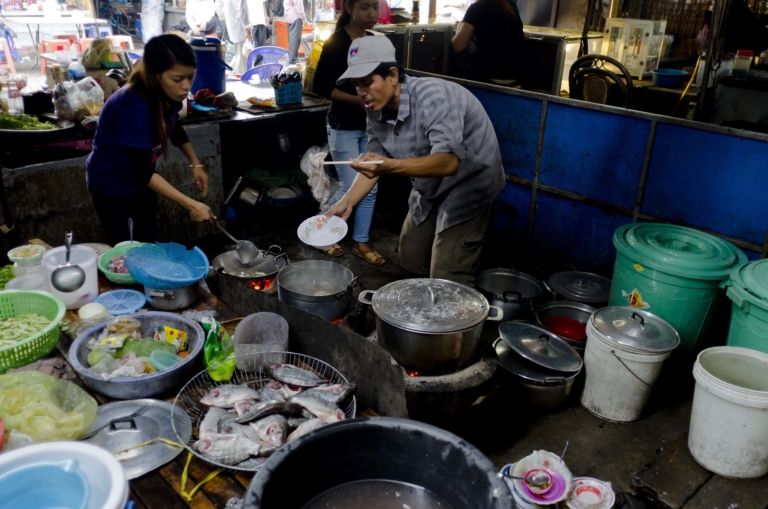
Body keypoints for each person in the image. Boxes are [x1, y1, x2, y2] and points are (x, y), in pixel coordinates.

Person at [326, 37, 505, 285]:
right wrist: (346, 203)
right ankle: (427, 297)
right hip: (428, 181)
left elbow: (448, 163)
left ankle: (448, 298)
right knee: (411, 255)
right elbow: (373, 166)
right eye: (357, 86)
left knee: (448, 271)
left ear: (392, 75)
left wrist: (389, 166)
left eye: (367, 83)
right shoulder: (374, 108)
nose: (361, 93)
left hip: (469, 180)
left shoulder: (432, 98)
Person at [86, 35, 215, 246]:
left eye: (190, 77)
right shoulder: (134, 105)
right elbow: (142, 170)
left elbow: (173, 125)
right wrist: (190, 204)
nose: (186, 86)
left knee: (147, 241)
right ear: (156, 75)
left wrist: (195, 163)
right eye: (177, 79)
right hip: (112, 185)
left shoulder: (168, 94)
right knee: (128, 249)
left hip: (141, 183)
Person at [312, 0, 384, 265]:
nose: (372, 13)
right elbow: (320, 86)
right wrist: (358, 100)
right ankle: (319, 230)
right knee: (349, 185)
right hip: (343, 125)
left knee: (370, 185)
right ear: (350, 8)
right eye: (365, 7)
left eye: (375, 7)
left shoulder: (374, 41)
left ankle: (360, 243)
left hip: (371, 126)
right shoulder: (336, 43)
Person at [450, 0, 530, 84]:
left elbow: (458, 46)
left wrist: (459, 28)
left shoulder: (477, 8)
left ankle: (452, 85)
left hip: (488, 76)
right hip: (517, 75)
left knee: (453, 43)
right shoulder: (510, 5)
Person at [223, 0, 251, 73]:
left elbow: (219, 7)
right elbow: (242, 10)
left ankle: (229, 73)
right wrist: (247, 27)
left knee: (239, 55)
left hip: (233, 25)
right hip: (240, 27)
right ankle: (238, 75)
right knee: (242, 58)